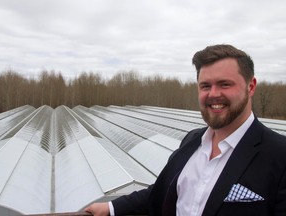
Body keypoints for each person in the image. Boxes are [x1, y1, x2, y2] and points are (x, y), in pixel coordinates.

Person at [84, 44, 286, 216]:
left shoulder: (279, 155)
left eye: (225, 84)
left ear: (251, 87)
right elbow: (161, 190)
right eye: (205, 86)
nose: (213, 94)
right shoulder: (192, 140)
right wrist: (111, 207)